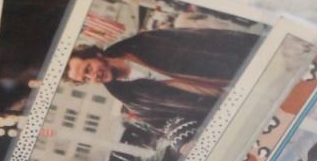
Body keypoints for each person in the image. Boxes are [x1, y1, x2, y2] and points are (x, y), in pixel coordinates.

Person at [62, 27, 261, 128]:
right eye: (85, 78)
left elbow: (206, 37)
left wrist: (256, 46)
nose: (93, 77)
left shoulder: (142, 42)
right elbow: (164, 124)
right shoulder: (130, 99)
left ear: (97, 54)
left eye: (88, 68)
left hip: (245, 68)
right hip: (239, 107)